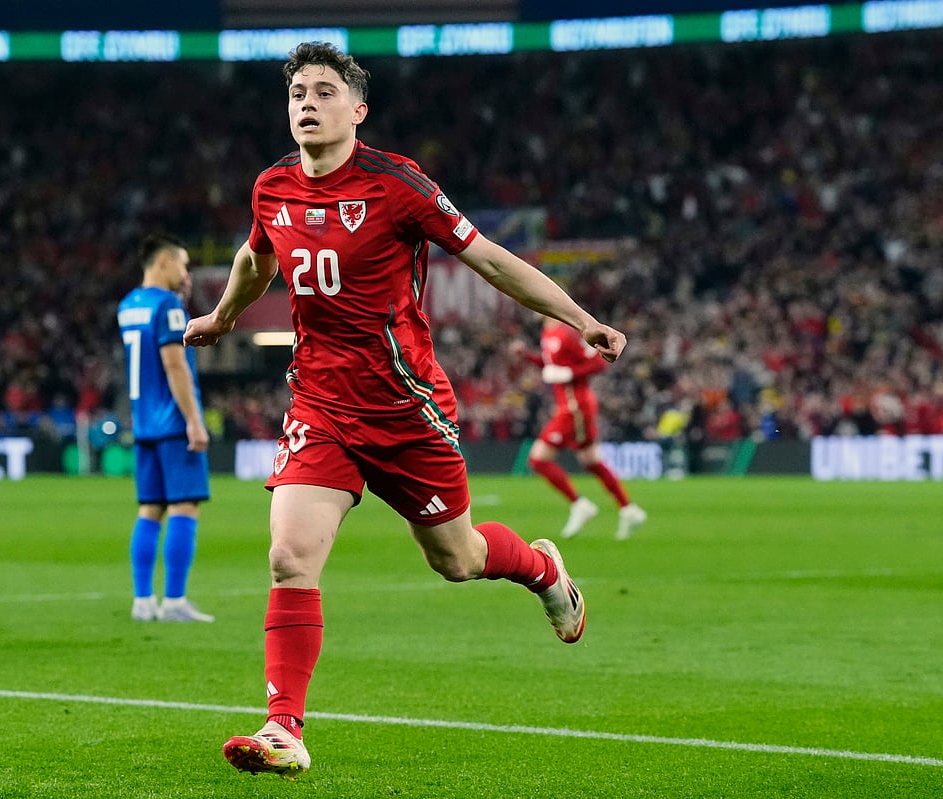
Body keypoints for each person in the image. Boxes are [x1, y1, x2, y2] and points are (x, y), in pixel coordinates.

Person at [183, 42, 627, 778]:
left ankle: (544, 571)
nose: (306, 102)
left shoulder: (397, 184)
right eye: (297, 91)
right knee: (290, 556)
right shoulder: (272, 187)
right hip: (319, 405)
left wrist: (580, 318)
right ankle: (284, 725)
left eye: (324, 91)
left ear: (357, 111)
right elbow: (255, 255)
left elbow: (487, 257)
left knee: (457, 560)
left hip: (406, 410)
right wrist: (224, 316)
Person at [117, 233, 214, 623]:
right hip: (173, 423)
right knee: (184, 507)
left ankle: (143, 600)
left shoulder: (128, 305)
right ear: (162, 262)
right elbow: (174, 365)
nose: (185, 271)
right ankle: (174, 600)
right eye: (182, 263)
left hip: (143, 423)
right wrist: (194, 420)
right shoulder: (169, 306)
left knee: (149, 510)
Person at [510, 316, 647, 541]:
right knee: (591, 461)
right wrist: (527, 356)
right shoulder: (548, 332)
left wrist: (569, 374)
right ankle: (628, 509)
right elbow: (552, 367)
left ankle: (580, 504)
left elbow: (598, 362)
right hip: (569, 406)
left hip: (575, 407)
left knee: (538, 459)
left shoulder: (567, 333)